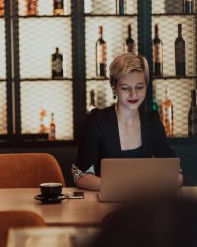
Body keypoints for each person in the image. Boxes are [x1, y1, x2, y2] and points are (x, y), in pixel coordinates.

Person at [72, 53, 182, 190]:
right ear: (113, 86)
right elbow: (81, 176)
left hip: (145, 204)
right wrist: (124, 187)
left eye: (140, 87)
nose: (134, 94)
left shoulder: (152, 121)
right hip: (105, 207)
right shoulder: (98, 121)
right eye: (125, 88)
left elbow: (177, 175)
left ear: (147, 85)